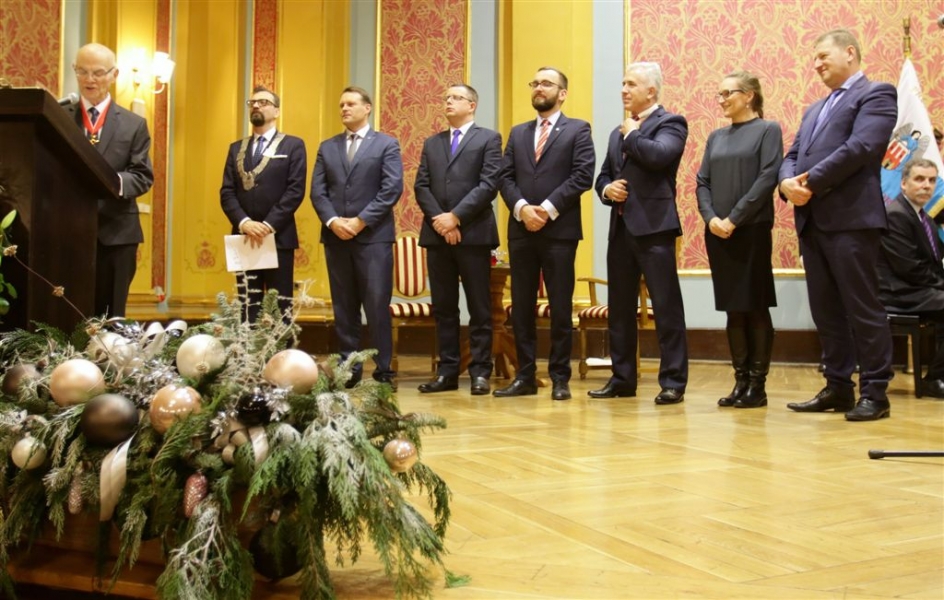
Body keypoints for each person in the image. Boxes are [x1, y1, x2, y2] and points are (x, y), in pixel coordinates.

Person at [779, 29, 897, 421]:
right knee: (826, 311)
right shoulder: (814, 109)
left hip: (852, 221)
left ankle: (876, 393)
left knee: (862, 308)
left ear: (850, 52)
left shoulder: (877, 94)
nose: (816, 65)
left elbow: (861, 147)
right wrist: (786, 183)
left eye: (823, 56)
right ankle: (838, 387)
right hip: (812, 222)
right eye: (813, 58)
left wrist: (809, 182)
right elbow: (793, 154)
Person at [590, 62, 689, 405]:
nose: (623, 90)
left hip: (655, 228)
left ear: (651, 90)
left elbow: (659, 156)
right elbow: (603, 176)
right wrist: (607, 190)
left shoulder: (671, 123)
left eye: (631, 84)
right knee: (620, 308)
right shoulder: (617, 132)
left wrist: (632, 134)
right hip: (620, 229)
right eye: (622, 83)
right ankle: (622, 379)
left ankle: (673, 381)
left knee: (666, 306)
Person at [494, 67, 595, 401]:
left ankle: (560, 377)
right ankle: (525, 376)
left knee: (560, 305)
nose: (539, 88)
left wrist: (547, 209)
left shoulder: (578, 129)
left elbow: (582, 176)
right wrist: (522, 208)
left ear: (562, 93)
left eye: (547, 84)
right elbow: (504, 176)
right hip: (521, 229)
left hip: (559, 231)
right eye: (535, 83)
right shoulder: (518, 132)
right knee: (521, 307)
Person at [695, 71, 783, 409]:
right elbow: (702, 182)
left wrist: (734, 218)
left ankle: (757, 386)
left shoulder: (767, 130)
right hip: (718, 232)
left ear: (749, 96)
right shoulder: (716, 137)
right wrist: (711, 218)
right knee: (733, 307)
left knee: (754, 305)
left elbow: (767, 178)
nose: (721, 100)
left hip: (751, 229)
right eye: (718, 94)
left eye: (727, 93)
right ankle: (740, 381)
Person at [311, 86, 403, 388]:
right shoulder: (327, 147)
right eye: (341, 105)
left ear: (367, 108)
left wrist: (361, 221)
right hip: (336, 237)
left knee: (376, 306)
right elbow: (318, 192)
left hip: (373, 238)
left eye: (350, 104)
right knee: (344, 307)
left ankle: (384, 370)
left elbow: (391, 188)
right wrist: (333, 221)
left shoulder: (386, 144)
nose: (344, 109)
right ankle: (349, 368)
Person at [414, 84, 502, 396]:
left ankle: (480, 372)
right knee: (444, 308)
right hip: (437, 235)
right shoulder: (432, 142)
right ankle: (447, 372)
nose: (448, 102)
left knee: (479, 307)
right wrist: (441, 221)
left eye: (456, 98)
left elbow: (488, 184)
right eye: (446, 98)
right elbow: (421, 186)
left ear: (472, 105)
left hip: (473, 234)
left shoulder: (488, 139)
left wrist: (456, 217)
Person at [65, 43, 154, 318]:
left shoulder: (133, 124)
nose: (89, 79)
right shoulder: (59, 116)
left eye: (98, 73)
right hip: (67, 233)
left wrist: (109, 180)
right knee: (67, 314)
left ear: (114, 75)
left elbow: (142, 176)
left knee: (111, 318)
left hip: (117, 235)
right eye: (82, 71)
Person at [220, 86, 307, 323]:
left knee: (280, 308)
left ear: (276, 111)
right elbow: (227, 192)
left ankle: (280, 349)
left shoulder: (293, 145)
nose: (256, 106)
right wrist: (245, 223)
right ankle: (248, 349)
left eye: (264, 102)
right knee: (248, 308)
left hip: (278, 238)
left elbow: (295, 191)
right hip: (244, 237)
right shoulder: (236, 148)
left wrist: (268, 225)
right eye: (252, 103)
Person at [876, 159, 944, 397]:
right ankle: (934, 380)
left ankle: (938, 376)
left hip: (917, 289)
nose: (927, 185)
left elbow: (934, 263)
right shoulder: (895, 215)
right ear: (903, 183)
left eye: (932, 180)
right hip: (898, 293)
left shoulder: (924, 217)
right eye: (919, 179)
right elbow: (911, 268)